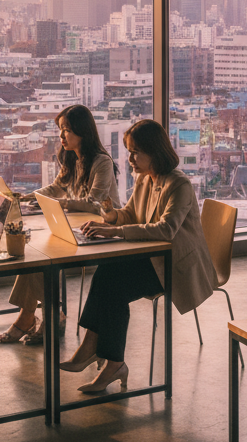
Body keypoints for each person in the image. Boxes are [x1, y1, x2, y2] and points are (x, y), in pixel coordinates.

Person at [58, 118, 216, 393]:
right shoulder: (145, 179)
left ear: (154, 152)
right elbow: (130, 214)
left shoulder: (179, 185)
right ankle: (98, 351)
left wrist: (116, 233)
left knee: (115, 286)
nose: (129, 158)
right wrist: (109, 218)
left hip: (174, 266)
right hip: (151, 258)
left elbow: (166, 230)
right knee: (107, 272)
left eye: (135, 152)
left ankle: (106, 357)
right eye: (129, 151)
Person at [0, 104, 120, 345]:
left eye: (67, 130)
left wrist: (61, 204)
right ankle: (35, 315)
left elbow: (95, 202)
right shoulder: (72, 158)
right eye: (61, 130)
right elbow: (55, 187)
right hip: (77, 225)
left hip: (103, 229)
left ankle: (39, 317)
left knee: (40, 253)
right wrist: (29, 197)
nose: (62, 135)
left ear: (82, 131)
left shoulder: (101, 162)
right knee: (33, 251)